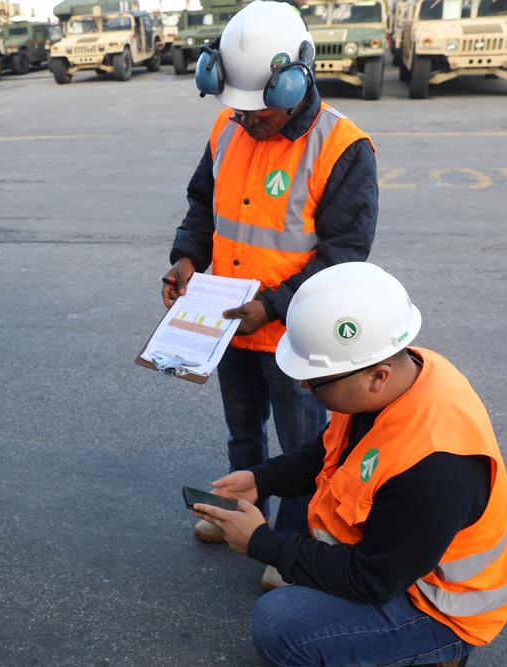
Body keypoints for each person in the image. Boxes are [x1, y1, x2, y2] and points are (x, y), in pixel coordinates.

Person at [191, 262, 507, 667]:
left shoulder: (436, 468)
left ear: (377, 376)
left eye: (316, 379)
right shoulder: (395, 373)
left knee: (279, 624)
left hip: (440, 607)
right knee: (293, 601)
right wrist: (263, 479)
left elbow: (372, 579)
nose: (305, 387)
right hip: (400, 563)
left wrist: (263, 543)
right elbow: (327, 450)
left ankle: (436, 649)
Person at [161, 0, 378, 583]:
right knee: (242, 434)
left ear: (295, 79)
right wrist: (186, 258)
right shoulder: (227, 125)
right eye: (238, 109)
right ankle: (241, 514)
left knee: (303, 449)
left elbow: (344, 257)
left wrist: (274, 306)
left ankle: (288, 542)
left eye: (259, 111)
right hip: (230, 324)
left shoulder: (342, 148)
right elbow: (202, 207)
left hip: (295, 337)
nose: (246, 121)